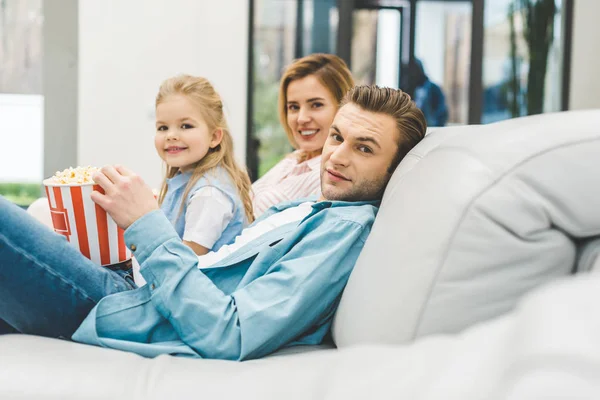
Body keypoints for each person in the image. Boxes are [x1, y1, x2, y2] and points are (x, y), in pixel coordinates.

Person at [0, 85, 427, 360]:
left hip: (120, 306)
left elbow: (230, 333)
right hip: (136, 288)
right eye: (337, 137)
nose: (337, 155)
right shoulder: (316, 210)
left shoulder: (344, 232)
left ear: (395, 168)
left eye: (364, 148)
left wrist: (147, 224)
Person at [154, 75, 254, 256]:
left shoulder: (209, 194)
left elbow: (185, 264)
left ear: (214, 137)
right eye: (163, 128)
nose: (171, 135)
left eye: (185, 126)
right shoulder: (186, 179)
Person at [252, 53, 354, 217]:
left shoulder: (331, 176)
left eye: (316, 105)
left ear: (343, 107)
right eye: (293, 107)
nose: (301, 118)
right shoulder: (295, 158)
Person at [410, 59, 448, 127]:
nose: (412, 74)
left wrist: (436, 125)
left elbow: (442, 111)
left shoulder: (433, 88)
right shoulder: (412, 89)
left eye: (414, 70)